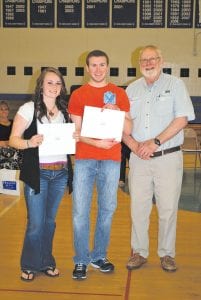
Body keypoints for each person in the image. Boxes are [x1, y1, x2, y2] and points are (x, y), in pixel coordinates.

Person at [123, 45, 195, 272]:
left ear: (161, 61)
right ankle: (139, 252)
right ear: (139, 64)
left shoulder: (175, 85)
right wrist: (135, 146)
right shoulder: (130, 90)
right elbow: (122, 125)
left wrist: (155, 142)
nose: (148, 63)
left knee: (167, 209)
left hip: (167, 157)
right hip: (138, 159)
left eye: (152, 59)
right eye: (144, 60)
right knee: (138, 208)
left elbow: (182, 119)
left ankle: (167, 254)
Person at [68, 49, 132, 280]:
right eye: (93, 65)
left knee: (107, 210)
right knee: (79, 213)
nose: (98, 69)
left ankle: (98, 256)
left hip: (112, 160)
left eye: (102, 65)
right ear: (87, 68)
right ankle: (81, 260)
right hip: (85, 158)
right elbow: (76, 132)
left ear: (108, 66)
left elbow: (128, 130)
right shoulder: (78, 94)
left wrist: (120, 114)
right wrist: (97, 142)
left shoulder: (118, 94)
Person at [9, 67, 74, 282]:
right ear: (41, 85)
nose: (54, 87)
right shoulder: (29, 108)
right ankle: (29, 264)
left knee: (50, 222)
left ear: (62, 87)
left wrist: (75, 136)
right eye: (50, 82)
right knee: (36, 223)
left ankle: (46, 261)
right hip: (39, 175)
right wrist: (29, 142)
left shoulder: (65, 110)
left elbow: (72, 140)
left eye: (58, 83)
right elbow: (13, 140)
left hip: (60, 173)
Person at [0, 100, 22, 170]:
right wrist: (9, 142)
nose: (4, 111)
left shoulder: (14, 123)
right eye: (1, 109)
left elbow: (19, 139)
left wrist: (8, 142)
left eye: (6, 109)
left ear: (8, 110)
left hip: (15, 152)